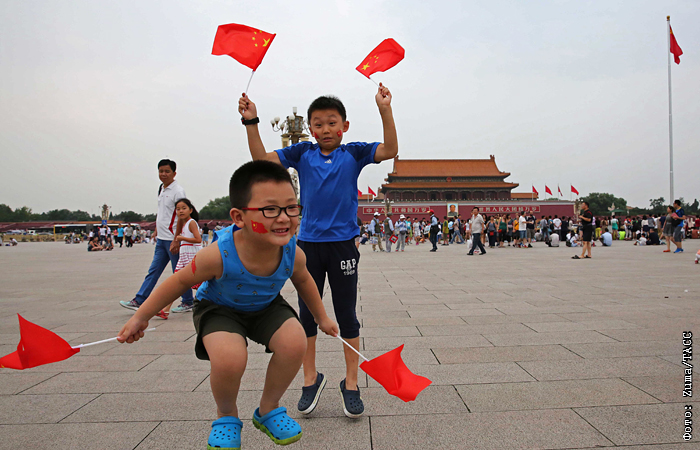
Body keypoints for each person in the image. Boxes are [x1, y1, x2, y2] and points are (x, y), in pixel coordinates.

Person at [118, 161, 339, 449]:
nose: (284, 218)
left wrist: (322, 318)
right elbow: (179, 281)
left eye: (291, 208)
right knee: (229, 359)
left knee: (295, 342)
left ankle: (268, 409)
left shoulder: (292, 252)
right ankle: (226, 415)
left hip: (267, 306)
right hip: (219, 308)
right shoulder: (217, 255)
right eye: (270, 210)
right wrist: (141, 316)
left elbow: (304, 280)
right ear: (239, 217)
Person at [239, 84, 397, 418]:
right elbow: (261, 160)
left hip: (343, 246)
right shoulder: (302, 153)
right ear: (310, 129)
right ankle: (310, 378)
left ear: (344, 126)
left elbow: (390, 149)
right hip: (307, 246)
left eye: (332, 123)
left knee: (346, 314)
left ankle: (351, 383)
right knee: (307, 315)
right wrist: (251, 122)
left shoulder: (354, 153)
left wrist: (385, 109)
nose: (325, 129)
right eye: (318, 124)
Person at [120, 159, 194, 313]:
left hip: (172, 239)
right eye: (161, 171)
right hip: (162, 239)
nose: (163, 174)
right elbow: (162, 212)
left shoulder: (178, 191)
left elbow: (181, 216)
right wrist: (156, 229)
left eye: (167, 171)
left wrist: (176, 239)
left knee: (180, 273)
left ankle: (188, 301)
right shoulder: (162, 188)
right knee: (154, 271)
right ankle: (139, 299)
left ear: (174, 173)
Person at [156, 198, 203, 320]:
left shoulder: (191, 223)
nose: (181, 211)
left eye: (183, 208)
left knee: (192, 282)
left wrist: (182, 238)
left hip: (192, 255)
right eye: (178, 209)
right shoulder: (183, 223)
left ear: (190, 210)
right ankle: (165, 309)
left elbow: (198, 239)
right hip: (185, 255)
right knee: (179, 282)